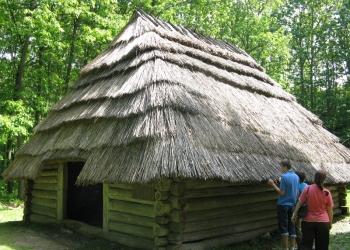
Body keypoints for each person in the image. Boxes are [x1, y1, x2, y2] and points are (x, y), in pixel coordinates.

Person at [291, 170, 334, 250]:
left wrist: (294, 214)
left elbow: (299, 203)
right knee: (322, 245)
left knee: (306, 244)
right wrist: (330, 223)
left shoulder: (307, 189)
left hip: (308, 221)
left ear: (314, 178)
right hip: (323, 222)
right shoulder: (326, 192)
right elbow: (330, 210)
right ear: (324, 179)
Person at [268, 159, 299, 250]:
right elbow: (296, 192)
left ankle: (285, 248)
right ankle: (292, 248)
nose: (281, 168)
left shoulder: (284, 177)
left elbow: (282, 193)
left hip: (283, 205)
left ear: (285, 167)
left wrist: (273, 184)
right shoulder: (296, 177)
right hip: (292, 205)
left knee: (284, 226)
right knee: (292, 226)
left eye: (281, 166)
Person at [295, 171, 308, 249]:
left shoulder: (297, 187)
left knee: (297, 228)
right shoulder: (307, 186)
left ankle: (301, 246)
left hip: (299, 208)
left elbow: (297, 199)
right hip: (307, 208)